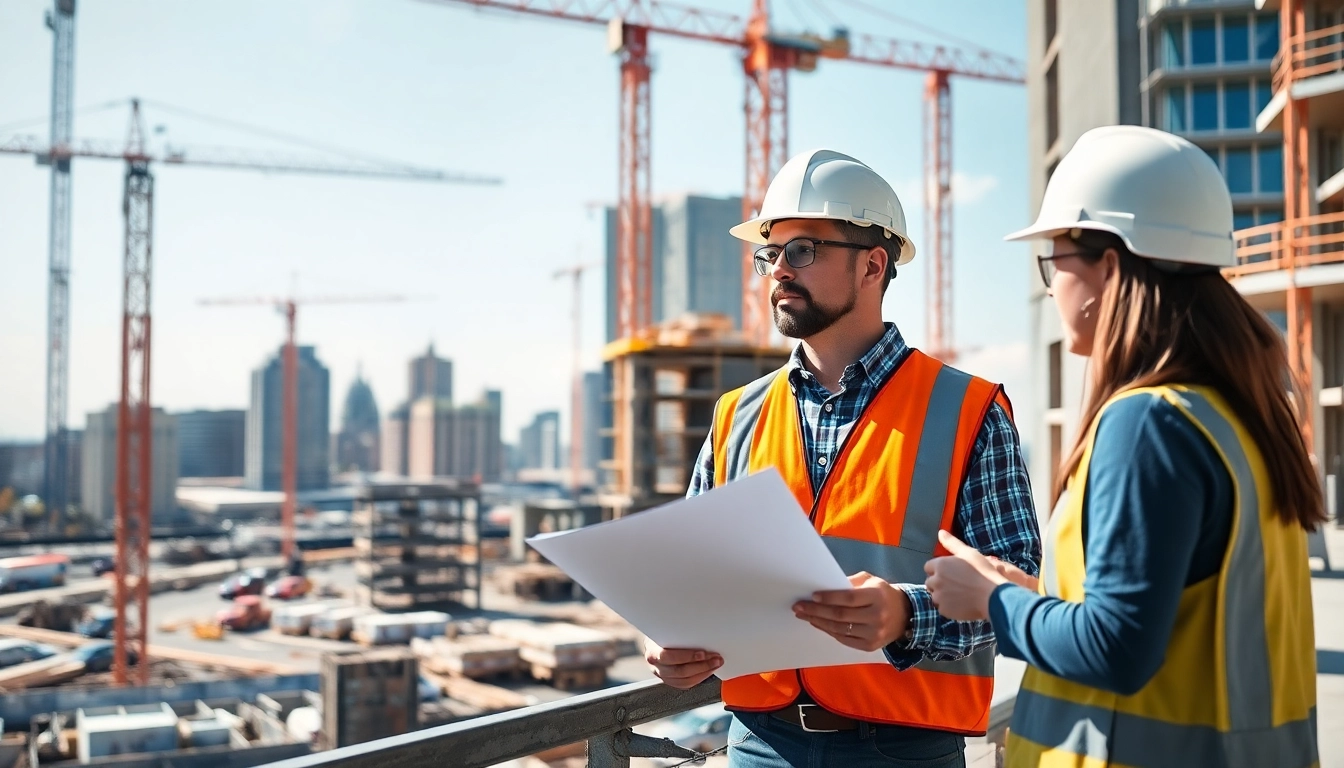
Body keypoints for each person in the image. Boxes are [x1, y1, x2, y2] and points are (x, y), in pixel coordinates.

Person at [924, 125, 1321, 768]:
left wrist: (991, 601)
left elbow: (1117, 648)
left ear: (1108, 264)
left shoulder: (1145, 424)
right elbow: (1161, 604)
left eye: (1053, 263)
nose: (1050, 287)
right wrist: (1029, 594)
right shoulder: (1236, 415)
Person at [643, 148, 1041, 767]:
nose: (778, 270)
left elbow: (1018, 590)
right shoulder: (733, 417)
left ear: (872, 266)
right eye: (769, 253)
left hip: (904, 749)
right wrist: (665, 636)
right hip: (757, 743)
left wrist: (907, 614)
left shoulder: (970, 409)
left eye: (803, 250)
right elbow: (688, 575)